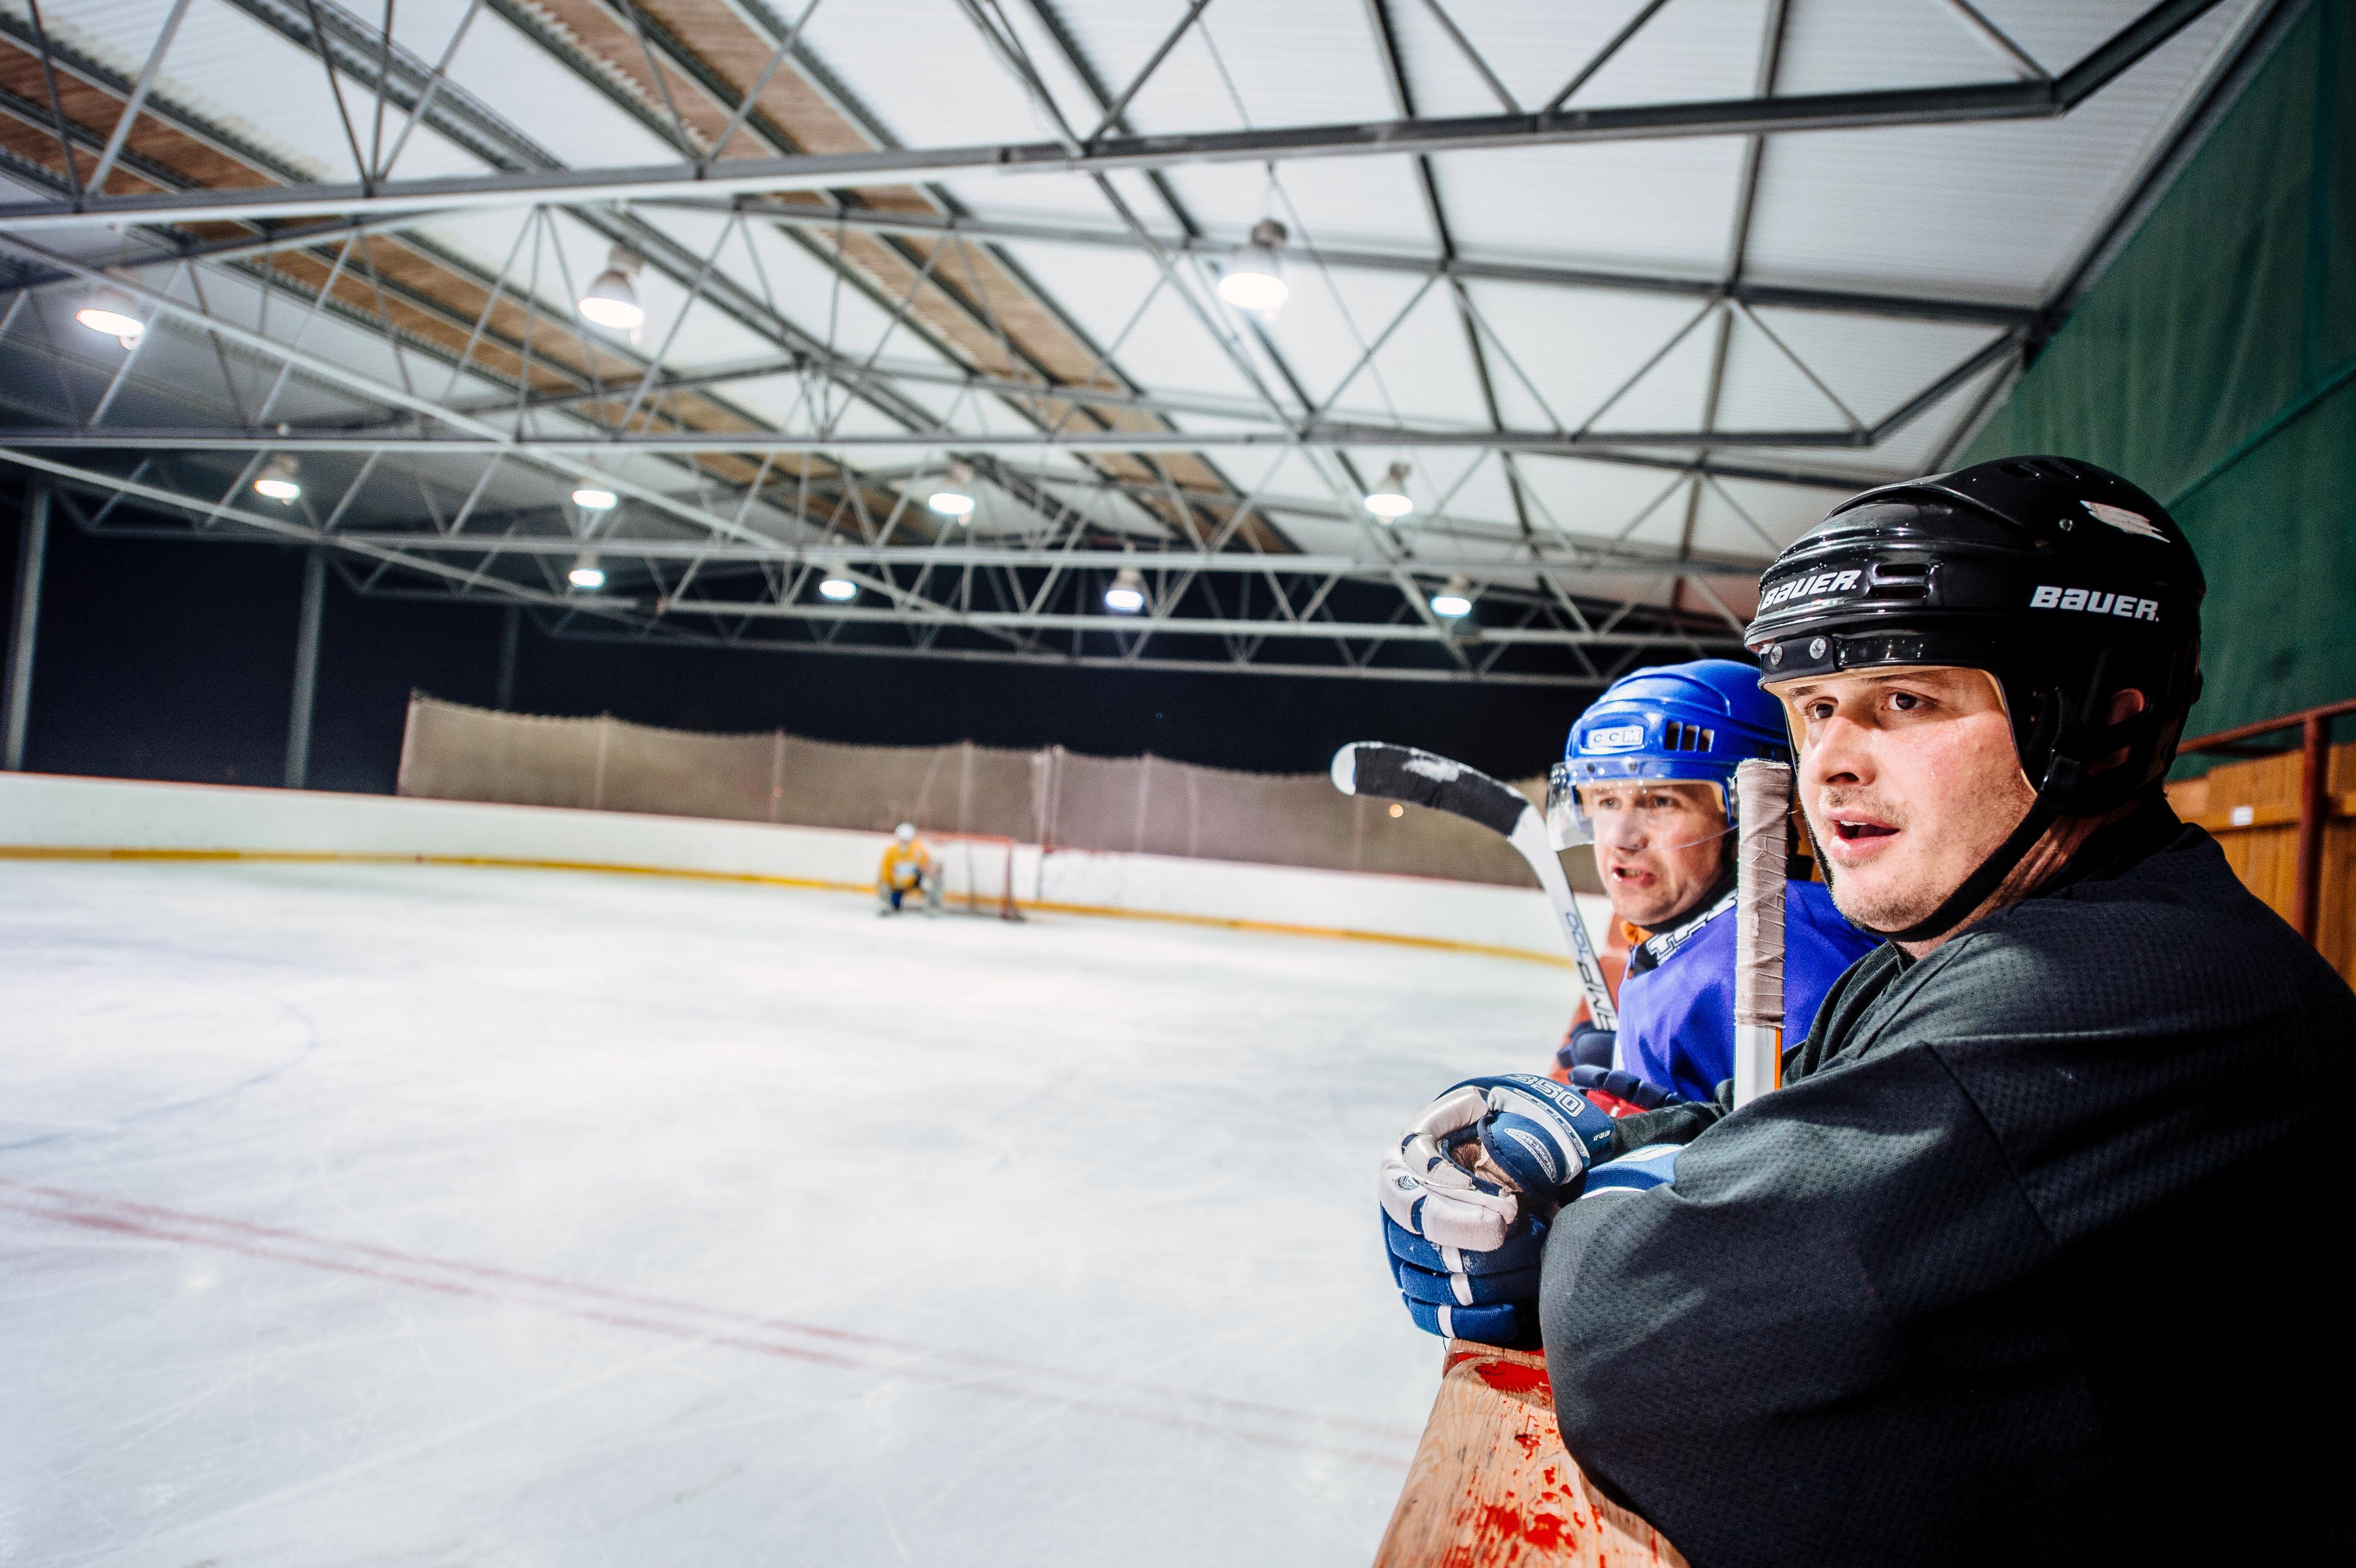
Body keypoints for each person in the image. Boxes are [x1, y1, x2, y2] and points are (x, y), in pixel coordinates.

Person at [1380, 456, 2355, 1564]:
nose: (1830, 763)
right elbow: (1788, 1140)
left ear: (2102, 719)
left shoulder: (2097, 1000)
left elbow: (1670, 1351)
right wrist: (1620, 1140)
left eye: (1906, 699)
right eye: (1812, 709)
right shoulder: (1963, 951)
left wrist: (1563, 1229)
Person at [1544, 661, 1877, 1106]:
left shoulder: (1782, 956)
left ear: (1756, 813)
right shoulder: (1702, 933)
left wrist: (1672, 1136)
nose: (1621, 839)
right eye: (1606, 801)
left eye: (1661, 801)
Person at [875, 822, 939, 915]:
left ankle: (932, 907)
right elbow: (885, 872)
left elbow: (927, 865)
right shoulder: (891, 852)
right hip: (896, 885)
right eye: (903, 840)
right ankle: (884, 905)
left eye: (907, 840)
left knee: (931, 881)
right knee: (885, 886)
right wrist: (888, 883)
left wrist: (931, 872)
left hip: (913, 883)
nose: (905, 842)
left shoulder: (919, 850)